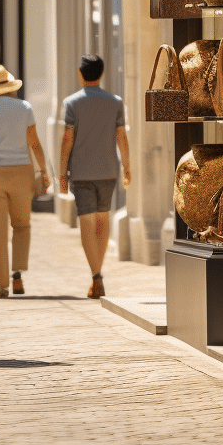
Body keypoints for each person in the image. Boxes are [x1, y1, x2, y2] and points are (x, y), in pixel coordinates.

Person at [58, 54, 131, 298]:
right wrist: (127, 167)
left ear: (81, 74)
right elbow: (122, 136)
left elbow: (67, 139)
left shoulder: (72, 103)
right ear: (101, 73)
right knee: (103, 220)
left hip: (81, 172)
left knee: (87, 224)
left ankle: (96, 275)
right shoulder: (115, 102)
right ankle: (98, 274)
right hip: (108, 171)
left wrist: (62, 173)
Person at [0, 65, 50, 298]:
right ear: (10, 86)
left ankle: (2, 286)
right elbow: (34, 143)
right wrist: (44, 172)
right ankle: (17, 275)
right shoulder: (25, 108)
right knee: (22, 225)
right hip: (22, 172)